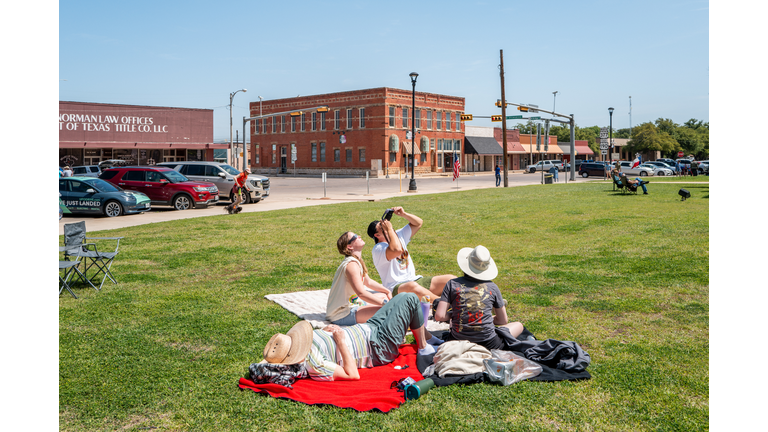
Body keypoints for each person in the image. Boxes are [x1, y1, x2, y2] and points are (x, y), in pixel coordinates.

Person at [261, 293, 440, 381]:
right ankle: (424, 346)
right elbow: (352, 375)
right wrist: (341, 342)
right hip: (378, 347)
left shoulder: (304, 342)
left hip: (369, 328)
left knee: (398, 298)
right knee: (409, 299)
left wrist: (328, 329)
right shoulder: (314, 364)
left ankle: (428, 338)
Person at [434, 245, 524, 350]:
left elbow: (439, 316)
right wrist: (483, 319)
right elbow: (503, 320)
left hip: (458, 342)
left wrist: (457, 315)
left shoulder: (452, 284)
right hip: (489, 344)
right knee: (518, 325)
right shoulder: (492, 287)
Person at [367, 207, 457, 302]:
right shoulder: (378, 249)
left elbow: (418, 223)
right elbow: (396, 250)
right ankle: (442, 305)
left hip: (415, 281)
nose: (386, 226)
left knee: (451, 280)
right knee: (412, 286)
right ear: (377, 235)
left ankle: (463, 301)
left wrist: (404, 214)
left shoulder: (398, 235)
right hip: (396, 288)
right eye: (382, 227)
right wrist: (389, 229)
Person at [326, 231, 392, 325]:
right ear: (349, 246)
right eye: (355, 237)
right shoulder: (351, 265)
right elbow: (361, 293)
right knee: (389, 311)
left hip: (354, 304)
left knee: (384, 296)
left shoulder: (356, 261)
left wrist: (387, 291)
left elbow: (368, 282)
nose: (359, 236)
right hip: (342, 314)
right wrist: (385, 304)